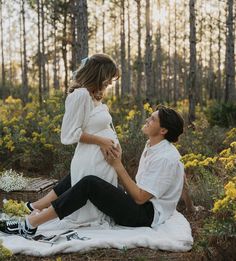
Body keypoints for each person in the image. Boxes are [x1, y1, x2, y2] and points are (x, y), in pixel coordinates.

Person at [0, 105, 185, 236]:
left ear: (163, 130)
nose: (147, 119)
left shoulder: (166, 158)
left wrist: (117, 165)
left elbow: (140, 198)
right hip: (136, 202)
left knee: (90, 184)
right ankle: (34, 207)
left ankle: (30, 224)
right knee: (89, 170)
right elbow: (177, 180)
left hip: (144, 215)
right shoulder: (153, 145)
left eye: (152, 119)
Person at [31, 54, 120, 227]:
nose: (110, 82)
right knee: (88, 206)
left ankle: (38, 209)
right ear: (99, 74)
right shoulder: (80, 95)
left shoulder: (93, 96)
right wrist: (101, 141)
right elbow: (69, 134)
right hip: (90, 160)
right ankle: (36, 217)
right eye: (109, 77)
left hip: (102, 162)